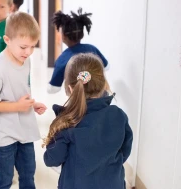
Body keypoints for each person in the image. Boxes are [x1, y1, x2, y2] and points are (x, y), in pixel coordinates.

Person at [43, 53, 133, 189]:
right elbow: (124, 151)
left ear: (70, 88)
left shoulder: (66, 122)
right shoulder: (119, 116)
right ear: (104, 85)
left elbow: (52, 159)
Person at [0, 12, 47, 189]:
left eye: (33, 47)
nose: (29, 52)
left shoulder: (25, 60)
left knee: (28, 175)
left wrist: (31, 104)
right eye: (24, 47)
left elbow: (20, 90)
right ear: (7, 40)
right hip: (3, 135)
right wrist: (17, 106)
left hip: (24, 129)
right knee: (4, 180)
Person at [47, 8, 109, 94]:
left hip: (77, 98)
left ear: (64, 36)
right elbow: (106, 66)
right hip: (100, 94)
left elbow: (53, 88)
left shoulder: (62, 60)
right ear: (82, 34)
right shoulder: (92, 49)